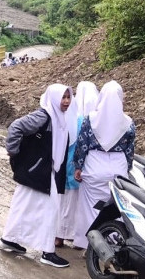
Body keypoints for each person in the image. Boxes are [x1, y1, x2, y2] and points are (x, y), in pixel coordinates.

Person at [0, 83, 72, 268]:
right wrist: (13, 151)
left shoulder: (60, 118)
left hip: (41, 171)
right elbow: (16, 127)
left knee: (22, 206)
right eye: (62, 97)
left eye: (68, 97)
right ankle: (48, 252)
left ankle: (9, 239)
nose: (66, 101)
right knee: (51, 209)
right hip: (39, 171)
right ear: (54, 98)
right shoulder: (44, 116)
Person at [72, 80, 135, 250]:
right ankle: (113, 240)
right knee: (114, 206)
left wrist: (78, 166)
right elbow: (130, 151)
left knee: (90, 206)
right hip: (118, 167)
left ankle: (86, 242)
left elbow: (82, 145)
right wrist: (127, 170)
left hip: (94, 166)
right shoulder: (128, 123)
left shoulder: (90, 120)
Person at [55, 81, 98, 248]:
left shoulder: (69, 117)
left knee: (62, 203)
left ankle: (59, 235)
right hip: (82, 168)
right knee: (77, 205)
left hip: (65, 166)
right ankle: (74, 235)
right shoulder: (89, 120)